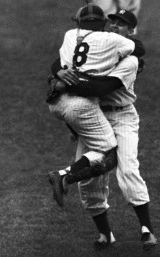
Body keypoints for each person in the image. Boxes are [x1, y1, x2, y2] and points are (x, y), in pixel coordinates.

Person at [51, 10, 157, 251]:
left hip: (121, 117)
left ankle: (147, 230)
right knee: (88, 183)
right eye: (113, 22)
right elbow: (63, 60)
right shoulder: (100, 46)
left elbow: (102, 88)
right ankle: (105, 234)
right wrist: (60, 71)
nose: (115, 26)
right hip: (93, 114)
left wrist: (69, 83)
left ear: (130, 32)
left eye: (122, 24)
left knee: (128, 169)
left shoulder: (130, 60)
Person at [47, 3, 141, 207]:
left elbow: (57, 62)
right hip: (81, 105)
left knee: (76, 119)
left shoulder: (71, 35)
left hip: (56, 103)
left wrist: (60, 74)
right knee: (108, 154)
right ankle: (63, 175)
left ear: (79, 22)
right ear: (105, 23)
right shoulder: (111, 40)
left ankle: (72, 141)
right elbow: (139, 48)